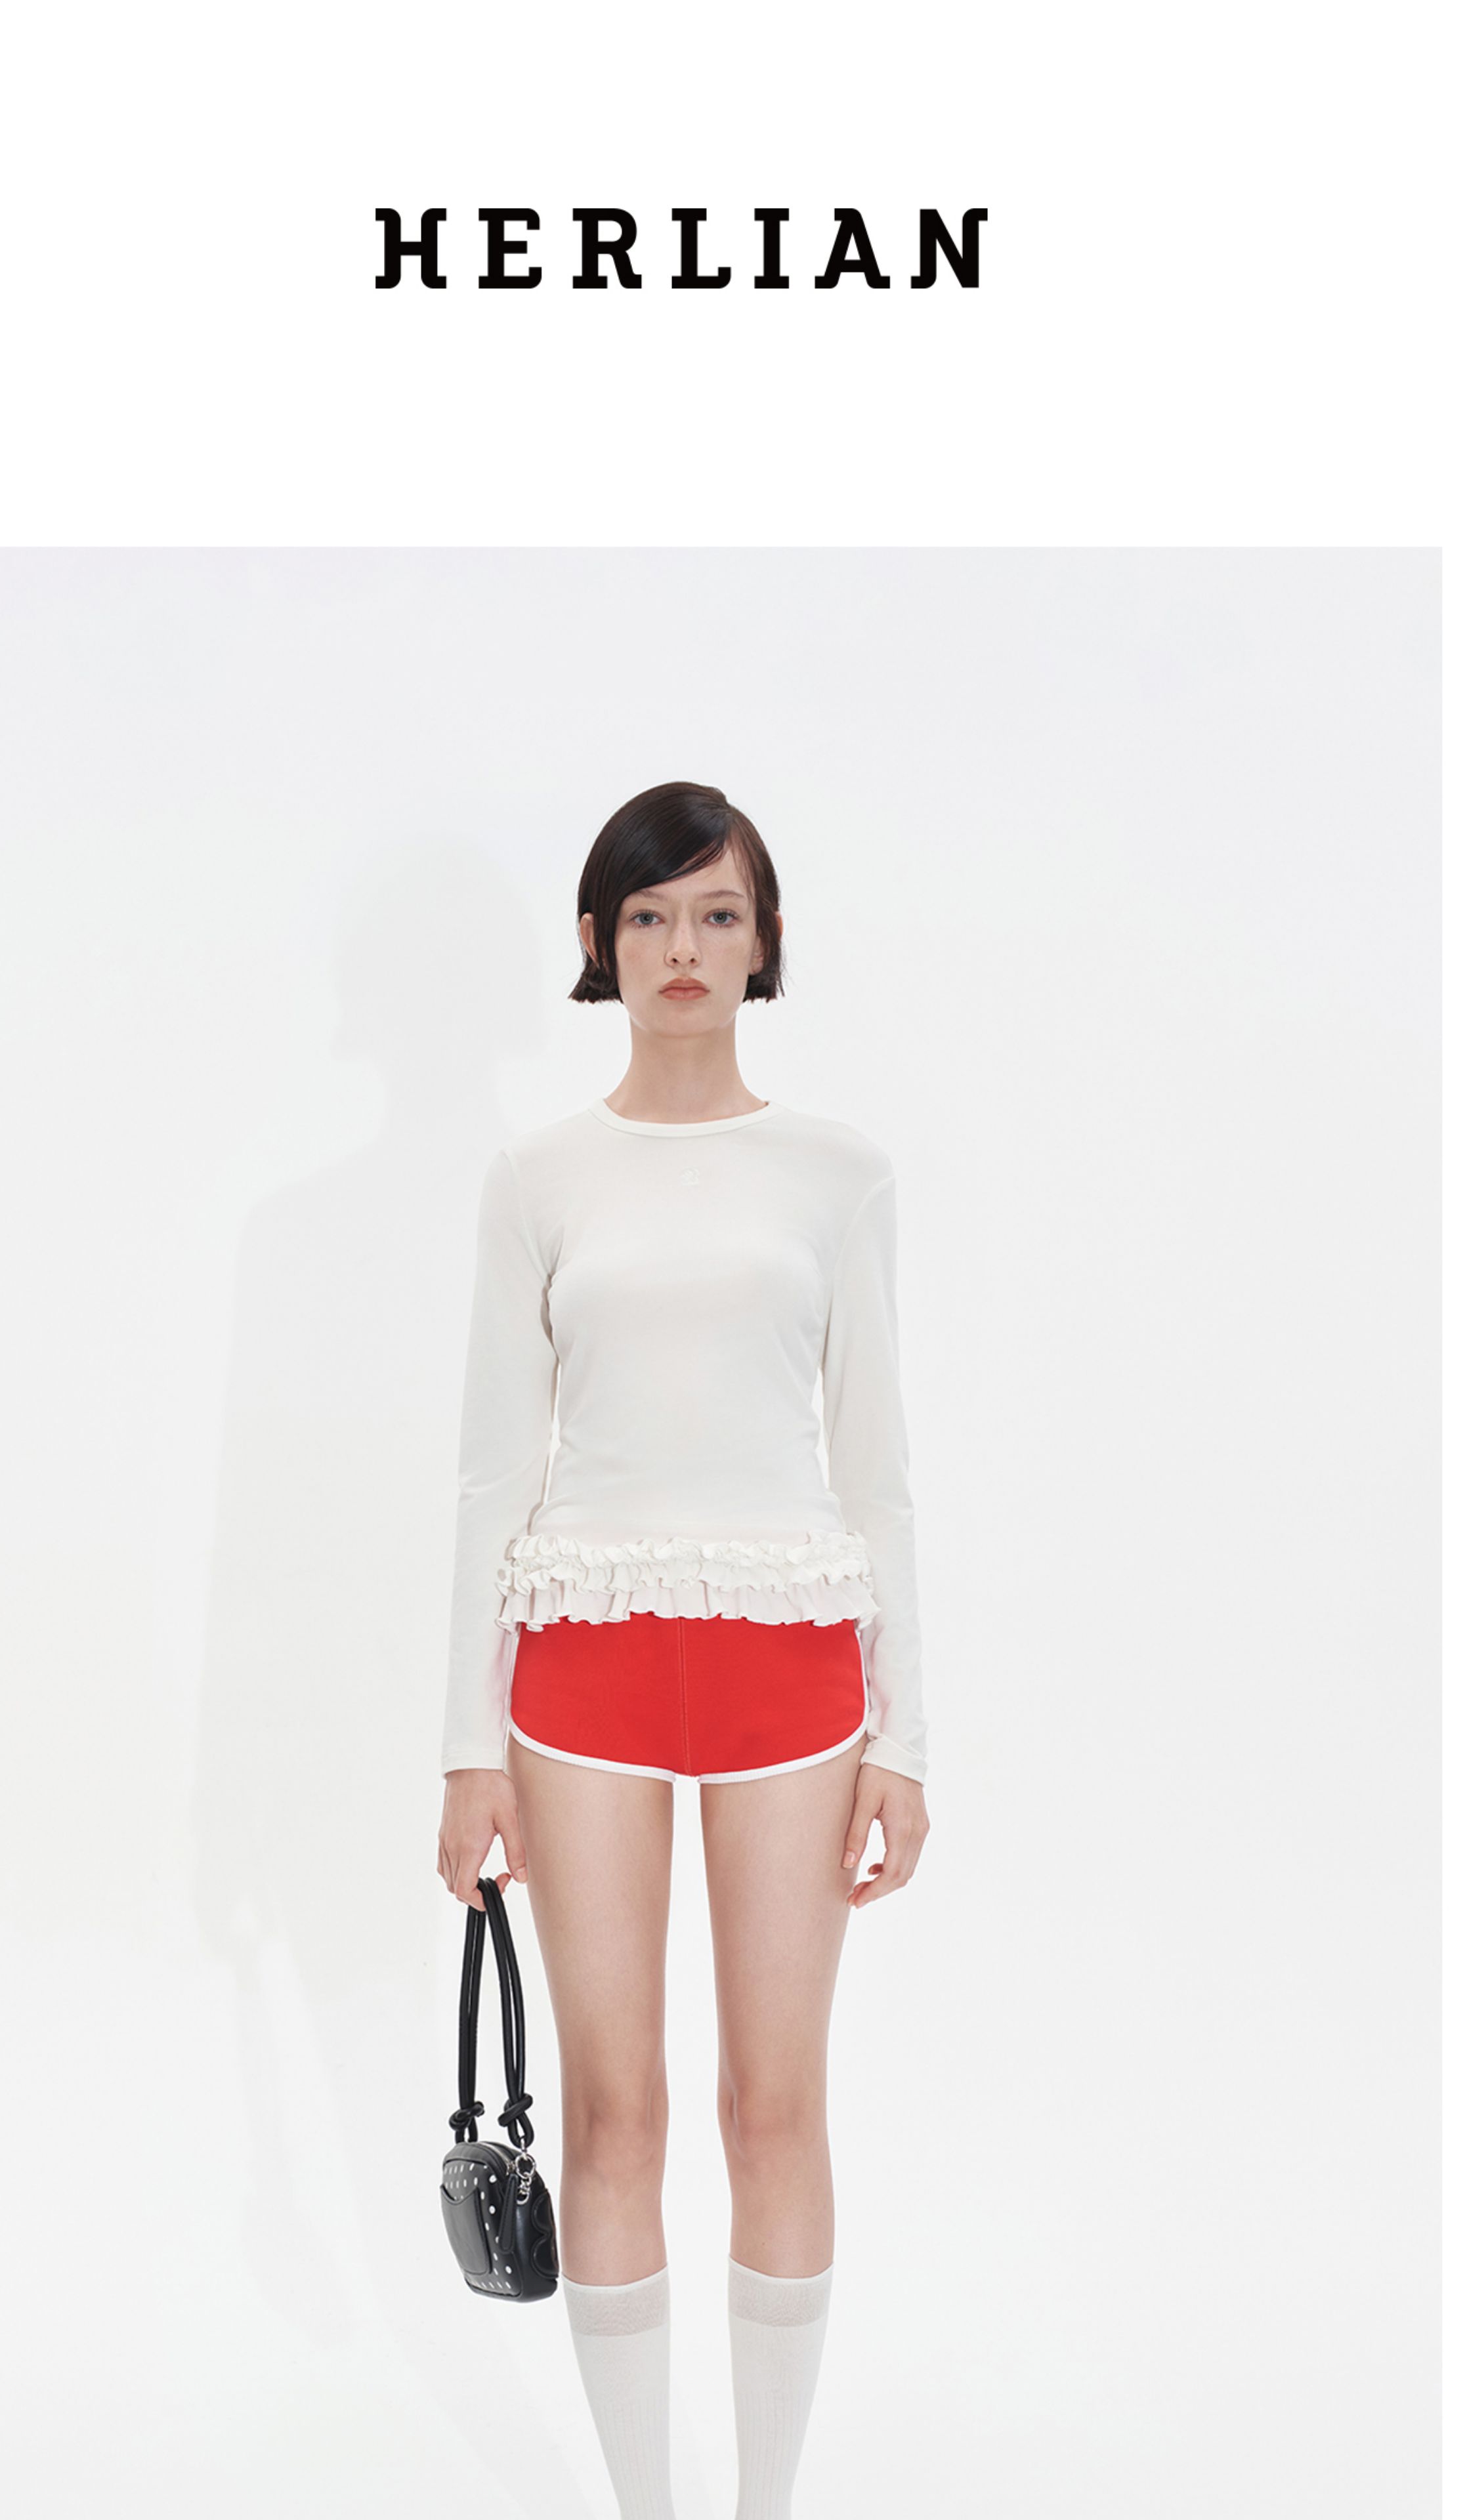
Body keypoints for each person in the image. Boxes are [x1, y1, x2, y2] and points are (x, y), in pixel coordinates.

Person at [436, 780, 931, 2519]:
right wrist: (468, 1749)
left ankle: (764, 2506)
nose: (683, 948)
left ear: (765, 940)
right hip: (579, 1675)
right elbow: (494, 1470)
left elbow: (878, 1469)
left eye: (718, 915)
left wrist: (908, 1742)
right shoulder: (539, 1178)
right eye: (649, 917)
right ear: (599, 943)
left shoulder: (838, 1174)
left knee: (773, 2107)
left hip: (795, 1672)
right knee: (613, 2113)